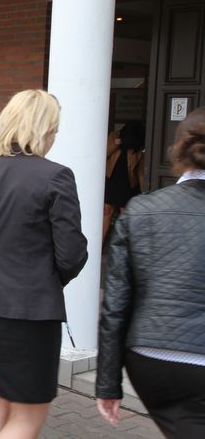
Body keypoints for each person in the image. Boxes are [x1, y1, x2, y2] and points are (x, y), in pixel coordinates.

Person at [0, 89, 88, 439]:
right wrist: (40, 278)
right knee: (27, 414)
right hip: (28, 312)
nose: (55, 136)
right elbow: (71, 254)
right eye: (53, 128)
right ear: (44, 130)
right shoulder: (56, 177)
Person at [96, 108, 205, 438]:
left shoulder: (142, 210)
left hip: (151, 361)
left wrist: (108, 383)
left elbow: (115, 306)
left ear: (178, 153)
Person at [103, 120, 145, 241]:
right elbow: (104, 153)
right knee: (107, 211)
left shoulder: (138, 143)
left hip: (128, 182)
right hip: (111, 179)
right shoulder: (114, 136)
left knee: (125, 214)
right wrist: (118, 142)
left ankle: (124, 245)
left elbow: (140, 169)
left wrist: (143, 189)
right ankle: (99, 245)